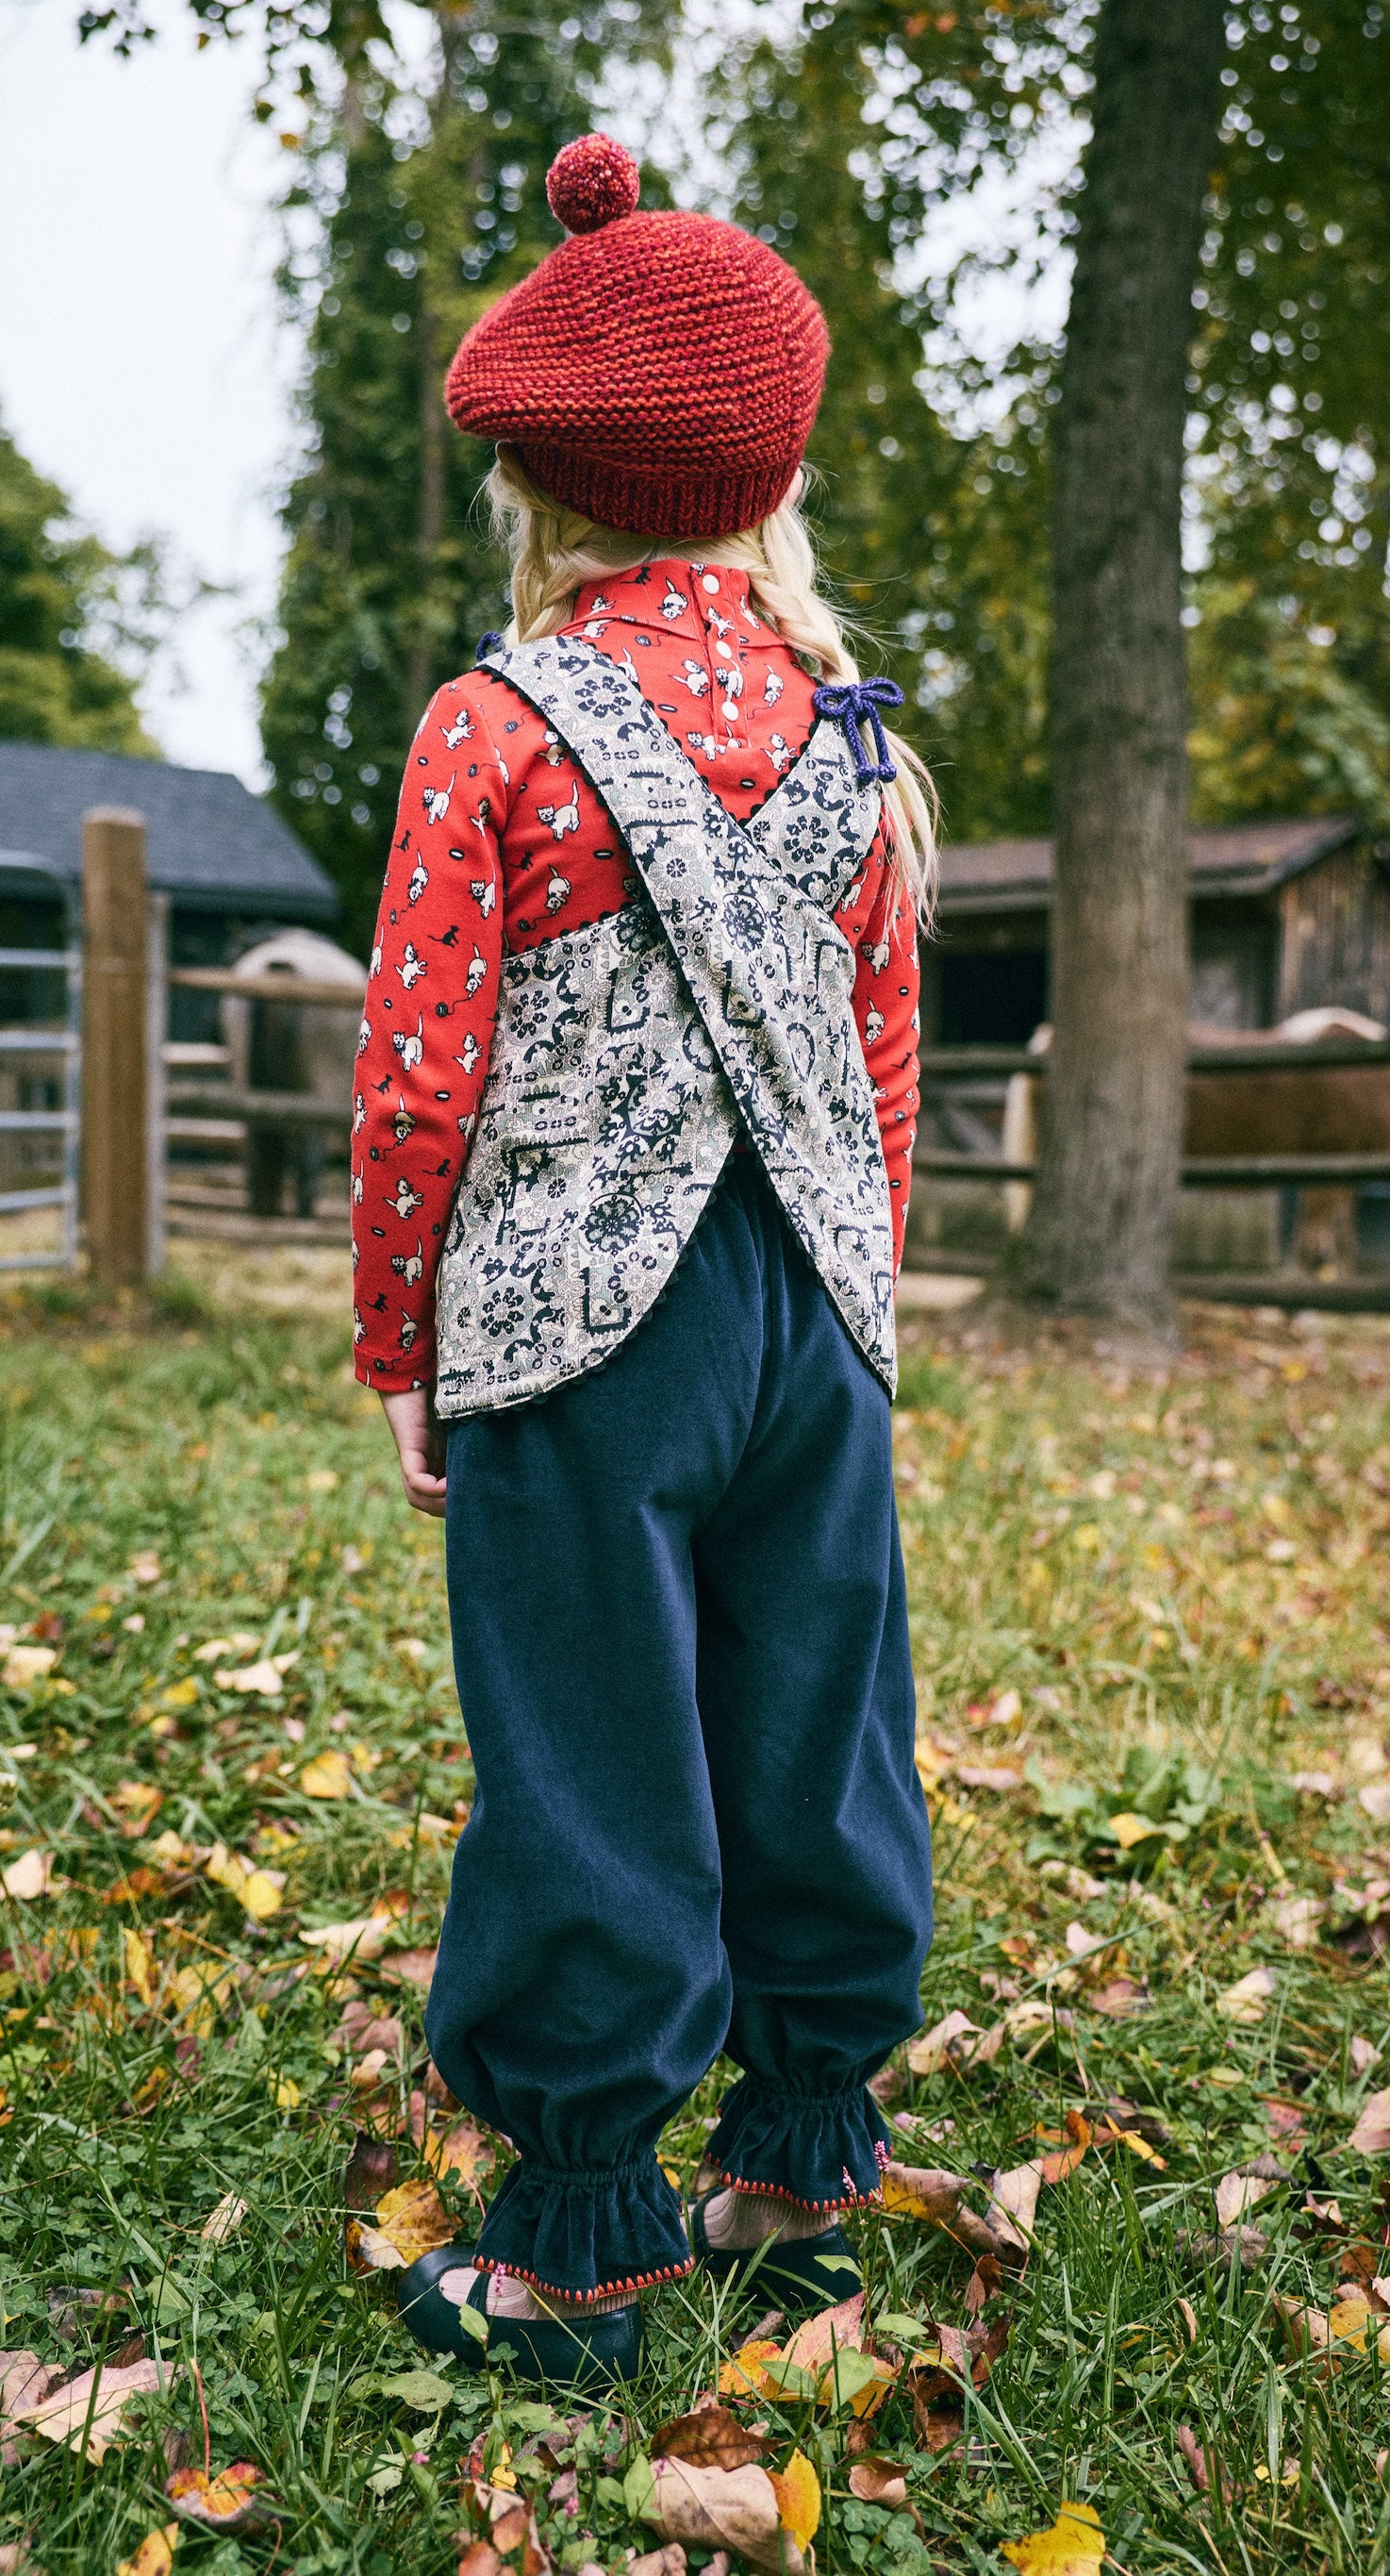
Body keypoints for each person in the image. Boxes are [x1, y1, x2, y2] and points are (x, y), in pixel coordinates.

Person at [351, 130, 936, 2388]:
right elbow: (876, 1084)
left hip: (580, 1340)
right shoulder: (851, 740)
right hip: (809, 1319)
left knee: (591, 1741)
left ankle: (586, 2233)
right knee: (814, 1720)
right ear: (762, 469)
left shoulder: (494, 726)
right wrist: (853, 1322)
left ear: (540, 482)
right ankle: (801, 2152)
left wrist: (409, 1337)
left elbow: (421, 1082)